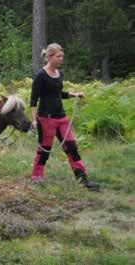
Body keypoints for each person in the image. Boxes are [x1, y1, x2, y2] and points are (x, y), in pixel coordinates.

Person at [30, 43, 99, 191]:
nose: (61, 59)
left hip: (61, 118)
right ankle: (36, 177)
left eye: (62, 56)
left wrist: (74, 94)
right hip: (46, 118)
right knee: (45, 150)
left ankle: (82, 180)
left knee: (72, 148)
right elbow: (33, 99)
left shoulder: (59, 74)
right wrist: (34, 120)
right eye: (58, 56)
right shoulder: (40, 76)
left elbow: (58, 93)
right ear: (49, 57)